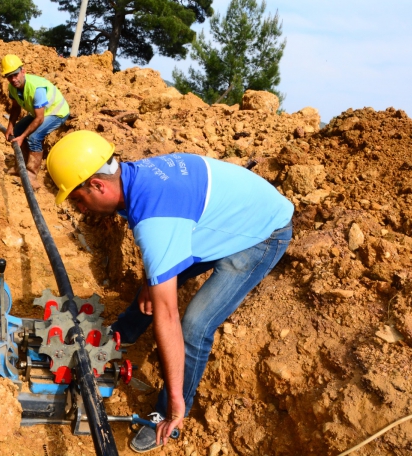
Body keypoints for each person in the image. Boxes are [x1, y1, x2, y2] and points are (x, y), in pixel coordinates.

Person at [47, 130, 294, 453]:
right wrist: (154, 279)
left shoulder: (155, 220)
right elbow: (161, 247)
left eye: (78, 199)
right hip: (217, 217)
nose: (81, 209)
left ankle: (170, 412)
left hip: (261, 231)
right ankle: (123, 335)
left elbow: (168, 314)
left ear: (98, 185)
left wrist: (176, 398)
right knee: (156, 275)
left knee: (194, 326)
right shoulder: (133, 179)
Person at [1, 54, 70, 189]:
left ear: (23, 71)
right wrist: (10, 127)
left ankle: (31, 175)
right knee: (16, 131)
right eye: (9, 76)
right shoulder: (12, 87)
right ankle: (19, 168)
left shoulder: (36, 88)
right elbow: (15, 108)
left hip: (57, 112)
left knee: (34, 138)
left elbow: (39, 119)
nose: (13, 79)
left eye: (15, 74)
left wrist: (22, 137)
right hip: (39, 112)